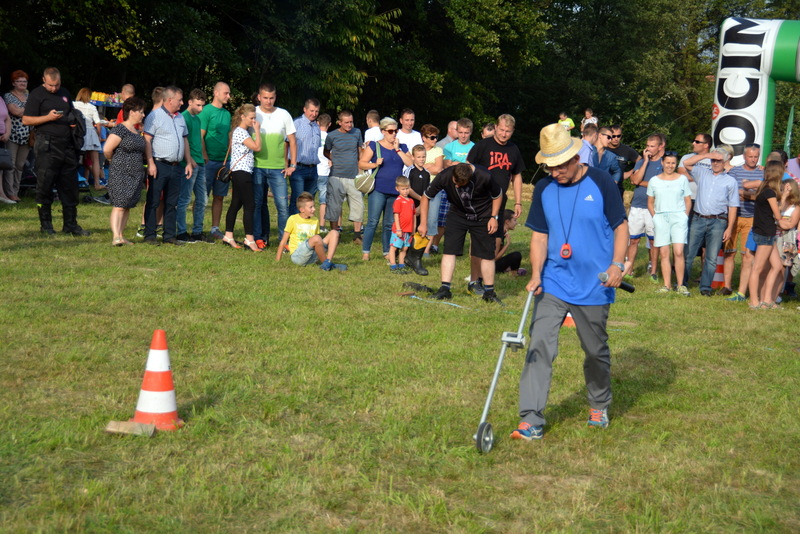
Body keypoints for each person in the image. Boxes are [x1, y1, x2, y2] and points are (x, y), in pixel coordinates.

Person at [511, 123, 627, 441]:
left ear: (576, 158)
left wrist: (617, 264)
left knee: (595, 350)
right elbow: (539, 236)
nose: (555, 172)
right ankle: (531, 419)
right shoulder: (544, 189)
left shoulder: (601, 182)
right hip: (554, 280)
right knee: (539, 344)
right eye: (550, 166)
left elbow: (620, 227)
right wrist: (536, 274)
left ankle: (599, 404)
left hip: (594, 283)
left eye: (560, 165)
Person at [418, 163, 503, 303]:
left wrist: (494, 217)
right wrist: (423, 223)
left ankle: (489, 292)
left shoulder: (485, 176)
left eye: (461, 184)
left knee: (486, 254)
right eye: (455, 182)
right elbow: (426, 196)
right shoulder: (445, 175)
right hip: (457, 215)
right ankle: (445, 289)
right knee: (449, 251)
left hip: (483, 216)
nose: (457, 186)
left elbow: (498, 195)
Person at [22, 67, 90, 236]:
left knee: (70, 187)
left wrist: (73, 122)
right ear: (44, 80)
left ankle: (71, 225)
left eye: (57, 84)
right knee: (45, 185)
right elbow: (26, 120)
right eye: (51, 85)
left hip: (67, 145)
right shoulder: (37, 95)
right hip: (47, 145)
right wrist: (48, 117)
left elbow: (71, 112)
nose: (54, 88)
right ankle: (46, 226)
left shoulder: (64, 92)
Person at [467, 114, 526, 294]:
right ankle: (474, 279)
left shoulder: (513, 149)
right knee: (479, 240)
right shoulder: (482, 146)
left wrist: (518, 202)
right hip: (481, 201)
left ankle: (486, 277)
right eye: (501, 130)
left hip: (500, 201)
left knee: (495, 240)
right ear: (495, 127)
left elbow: (516, 176)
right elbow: (468, 168)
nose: (503, 134)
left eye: (508, 131)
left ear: (512, 131)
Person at [682, 147, 739, 296]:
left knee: (712, 258)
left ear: (725, 161)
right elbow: (686, 163)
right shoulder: (702, 173)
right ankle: (682, 283)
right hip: (698, 218)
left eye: (719, 160)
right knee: (688, 254)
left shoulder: (730, 181)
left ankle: (706, 287)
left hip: (718, 221)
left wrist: (729, 228)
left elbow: (733, 206)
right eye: (713, 160)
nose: (715, 163)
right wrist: (707, 155)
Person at [142, 86, 195, 245]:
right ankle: (149, 234)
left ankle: (169, 235)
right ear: (170, 100)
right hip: (159, 164)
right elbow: (147, 140)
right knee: (154, 200)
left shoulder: (180, 118)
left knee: (172, 202)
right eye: (180, 100)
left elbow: (185, 140)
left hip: (176, 166)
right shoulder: (154, 116)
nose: (182, 103)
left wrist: (188, 162)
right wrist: (150, 163)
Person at [358, 116, 413, 260]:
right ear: (383, 131)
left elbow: (410, 163)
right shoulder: (374, 146)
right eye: (390, 131)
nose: (393, 134)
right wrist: (375, 164)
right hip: (378, 189)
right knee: (373, 222)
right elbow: (361, 163)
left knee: (389, 224)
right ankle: (366, 251)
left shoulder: (402, 146)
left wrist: (398, 150)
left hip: (395, 191)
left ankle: (387, 252)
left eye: (395, 131)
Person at [252, 83, 297, 247]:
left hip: (278, 168)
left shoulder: (284, 114)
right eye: (265, 97)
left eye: (271, 98)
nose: (268, 101)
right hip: (257, 166)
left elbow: (292, 141)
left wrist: (293, 164)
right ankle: (259, 238)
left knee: (282, 206)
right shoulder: (253, 113)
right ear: (259, 97)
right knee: (258, 204)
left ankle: (283, 241)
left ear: (275, 97)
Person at [646, 151, 692, 295]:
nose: (670, 166)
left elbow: (687, 200)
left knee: (678, 251)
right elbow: (650, 202)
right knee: (664, 252)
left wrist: (684, 216)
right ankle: (667, 285)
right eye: (667, 163)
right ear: (662, 163)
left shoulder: (682, 179)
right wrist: (655, 217)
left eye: (673, 163)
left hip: (678, 217)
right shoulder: (654, 180)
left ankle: (681, 285)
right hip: (661, 217)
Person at [103, 97, 147, 245]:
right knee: (119, 205)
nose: (143, 115)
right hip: (120, 172)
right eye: (141, 112)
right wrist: (113, 160)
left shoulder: (136, 131)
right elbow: (107, 149)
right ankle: (116, 236)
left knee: (127, 205)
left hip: (136, 173)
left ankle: (121, 235)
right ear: (132, 112)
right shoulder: (120, 129)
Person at [221, 103, 261, 252]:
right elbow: (257, 147)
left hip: (240, 172)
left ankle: (228, 236)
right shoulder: (241, 132)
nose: (253, 121)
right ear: (243, 117)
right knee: (249, 205)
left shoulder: (241, 131)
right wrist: (257, 131)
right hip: (242, 172)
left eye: (255, 118)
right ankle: (249, 239)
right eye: (251, 118)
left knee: (236, 204)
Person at [725, 145, 762, 301]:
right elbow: (730, 193)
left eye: (756, 157)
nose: (753, 159)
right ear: (744, 157)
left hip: (753, 218)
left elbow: (762, 196)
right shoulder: (734, 172)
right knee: (729, 252)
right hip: (733, 217)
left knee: (747, 255)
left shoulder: (763, 173)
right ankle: (727, 286)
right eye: (750, 156)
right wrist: (751, 195)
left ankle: (743, 289)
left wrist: (744, 194)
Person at [627, 133, 666, 281]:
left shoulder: (664, 163)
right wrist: (645, 163)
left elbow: (661, 185)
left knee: (653, 241)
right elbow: (634, 180)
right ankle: (629, 270)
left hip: (654, 207)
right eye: (647, 146)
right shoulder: (641, 162)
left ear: (660, 147)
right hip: (637, 206)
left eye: (652, 146)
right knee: (633, 240)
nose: (648, 149)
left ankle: (653, 272)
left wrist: (639, 182)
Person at [276, 192, 347, 271]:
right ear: (302, 210)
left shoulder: (315, 220)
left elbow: (318, 244)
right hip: (298, 257)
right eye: (311, 207)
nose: (314, 209)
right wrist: (278, 260)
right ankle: (327, 265)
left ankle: (328, 262)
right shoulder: (292, 219)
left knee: (334, 233)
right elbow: (283, 241)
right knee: (317, 238)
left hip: (311, 256)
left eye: (314, 206)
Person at [747, 161, 785, 309]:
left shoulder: (763, 188)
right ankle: (754, 301)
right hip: (765, 233)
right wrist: (784, 198)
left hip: (765, 232)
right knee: (757, 268)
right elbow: (778, 215)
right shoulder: (770, 192)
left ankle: (767, 300)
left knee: (777, 266)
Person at [199, 81, 232, 240]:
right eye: (226, 93)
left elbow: (229, 136)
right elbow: (200, 136)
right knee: (202, 196)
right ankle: (197, 227)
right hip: (209, 162)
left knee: (219, 196)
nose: (229, 96)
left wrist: (229, 156)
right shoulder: (206, 111)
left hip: (224, 162)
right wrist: (205, 156)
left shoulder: (227, 114)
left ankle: (215, 228)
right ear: (216, 93)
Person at [323, 110, 363, 238]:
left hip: (353, 176)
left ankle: (357, 235)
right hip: (336, 176)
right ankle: (334, 234)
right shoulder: (332, 136)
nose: (349, 124)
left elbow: (360, 151)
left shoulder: (357, 132)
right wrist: (334, 159)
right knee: (334, 206)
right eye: (346, 122)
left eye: (351, 122)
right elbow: (326, 151)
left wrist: (360, 168)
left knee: (358, 205)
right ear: (339, 122)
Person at [175, 88, 207, 242]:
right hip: (188, 164)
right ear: (190, 102)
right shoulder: (183, 118)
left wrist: (202, 156)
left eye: (202, 105)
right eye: (198, 105)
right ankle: (181, 231)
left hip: (200, 163)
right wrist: (190, 160)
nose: (200, 109)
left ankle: (197, 231)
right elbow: (182, 141)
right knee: (184, 199)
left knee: (202, 199)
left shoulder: (197, 119)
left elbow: (197, 139)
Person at [3, 70, 32, 202]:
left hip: (27, 135)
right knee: (11, 165)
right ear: (13, 83)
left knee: (20, 165)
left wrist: (22, 111)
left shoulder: (29, 96)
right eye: (19, 81)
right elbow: (14, 111)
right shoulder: (8, 96)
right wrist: (28, 111)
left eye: (24, 81)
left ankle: (16, 190)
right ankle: (9, 192)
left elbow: (33, 112)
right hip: (13, 135)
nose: (22, 83)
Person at [292, 98, 321, 216]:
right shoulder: (296, 124)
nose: (314, 114)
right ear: (305, 109)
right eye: (311, 111)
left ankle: (307, 225)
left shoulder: (316, 127)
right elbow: (287, 143)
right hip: (299, 168)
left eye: (316, 111)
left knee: (310, 202)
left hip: (313, 169)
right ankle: (293, 225)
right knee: (298, 201)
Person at [72, 88, 106, 190]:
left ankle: (73, 181)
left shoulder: (73, 104)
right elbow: (98, 123)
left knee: (74, 158)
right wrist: (98, 135)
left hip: (78, 133)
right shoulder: (92, 107)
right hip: (91, 133)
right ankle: (97, 183)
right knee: (95, 160)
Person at [389, 176, 415, 273]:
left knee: (405, 248)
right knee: (394, 247)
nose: (405, 191)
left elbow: (413, 215)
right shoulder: (398, 201)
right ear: (397, 189)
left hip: (408, 230)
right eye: (403, 189)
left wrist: (413, 228)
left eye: (407, 188)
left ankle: (401, 263)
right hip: (399, 230)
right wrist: (398, 229)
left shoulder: (411, 201)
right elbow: (396, 215)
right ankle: (393, 264)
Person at [606, 124, 640, 198]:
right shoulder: (603, 148)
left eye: (618, 136)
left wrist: (631, 172)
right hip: (603, 186)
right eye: (613, 136)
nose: (616, 138)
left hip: (618, 189)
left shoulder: (627, 150)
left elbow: (641, 160)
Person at [494, 209, 525, 276]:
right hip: (491, 266)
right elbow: (494, 258)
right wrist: (507, 244)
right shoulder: (498, 235)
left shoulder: (502, 233)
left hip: (494, 263)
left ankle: (510, 270)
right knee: (516, 255)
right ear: (507, 222)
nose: (516, 223)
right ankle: (513, 273)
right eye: (514, 220)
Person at [316, 113, 332, 231]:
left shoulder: (314, 136)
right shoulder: (330, 138)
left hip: (313, 170)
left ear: (317, 123)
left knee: (308, 198)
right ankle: (322, 226)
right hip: (325, 171)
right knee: (323, 201)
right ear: (329, 124)